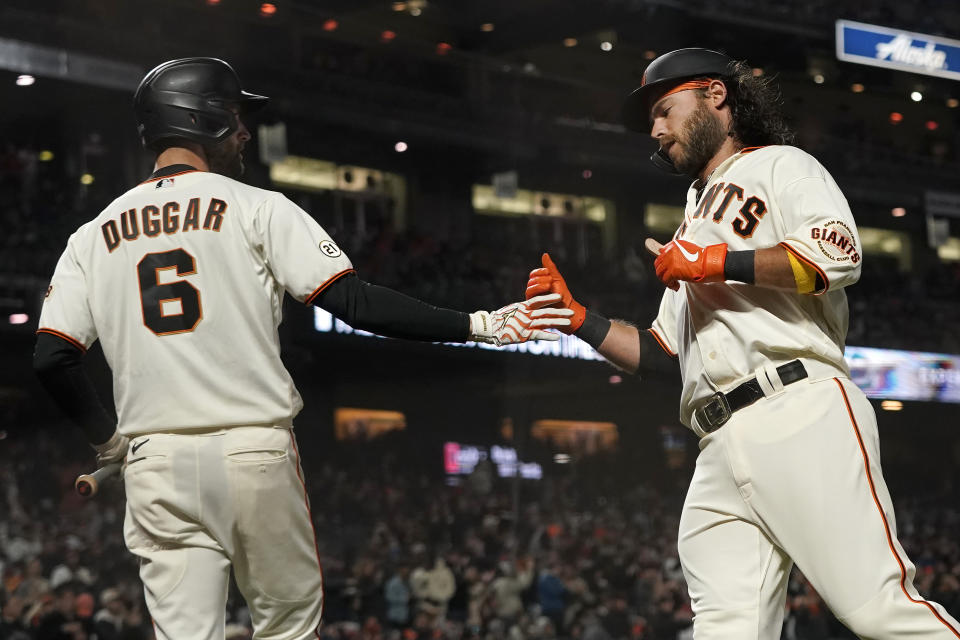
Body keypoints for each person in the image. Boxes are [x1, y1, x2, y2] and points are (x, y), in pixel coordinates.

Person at [32, 57, 571, 640]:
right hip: (251, 454)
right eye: (236, 117)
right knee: (288, 630)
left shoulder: (90, 236)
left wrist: (108, 441)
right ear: (205, 119)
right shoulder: (255, 207)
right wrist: (480, 323)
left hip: (154, 462)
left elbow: (52, 358)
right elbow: (355, 304)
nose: (243, 132)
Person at [526, 48, 960, 639]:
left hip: (797, 407)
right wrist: (579, 320)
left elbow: (837, 256)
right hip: (716, 443)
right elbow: (662, 357)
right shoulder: (689, 222)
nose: (655, 130)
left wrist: (715, 261)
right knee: (726, 628)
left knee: (876, 610)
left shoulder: (783, 165)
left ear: (716, 96)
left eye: (665, 109)